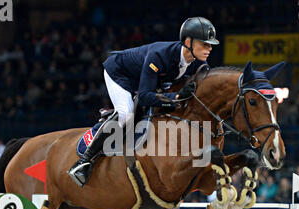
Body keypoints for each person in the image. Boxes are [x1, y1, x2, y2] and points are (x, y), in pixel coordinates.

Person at [68, 17, 220, 186]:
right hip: (121, 75)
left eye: (210, 44)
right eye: (205, 44)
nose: (209, 48)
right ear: (188, 41)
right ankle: (84, 161)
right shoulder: (160, 55)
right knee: (126, 114)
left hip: (146, 81)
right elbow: (146, 95)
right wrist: (176, 97)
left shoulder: (197, 63)